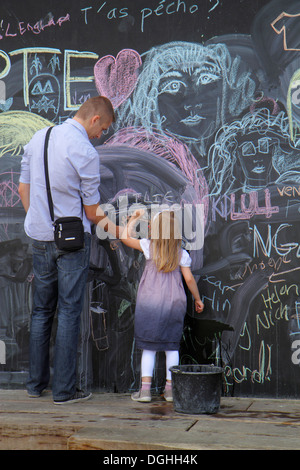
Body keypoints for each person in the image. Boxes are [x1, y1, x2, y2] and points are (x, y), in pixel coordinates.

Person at [18, 96, 118, 404]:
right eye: (104, 129)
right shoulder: (85, 152)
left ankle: (35, 385)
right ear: (94, 120)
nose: (102, 136)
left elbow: (24, 189)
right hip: (71, 242)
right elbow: (91, 212)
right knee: (69, 311)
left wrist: (39, 220)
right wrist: (120, 231)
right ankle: (63, 392)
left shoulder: (39, 138)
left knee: (41, 311)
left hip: (39, 238)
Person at [120, 209, 204, 402]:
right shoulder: (181, 254)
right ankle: (170, 391)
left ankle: (145, 391)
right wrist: (198, 299)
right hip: (174, 304)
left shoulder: (148, 247)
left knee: (148, 348)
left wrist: (133, 219)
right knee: (171, 347)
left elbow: (125, 237)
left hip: (149, 302)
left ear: (155, 230)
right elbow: (189, 279)